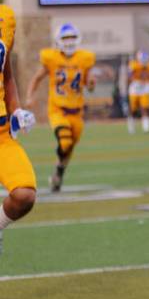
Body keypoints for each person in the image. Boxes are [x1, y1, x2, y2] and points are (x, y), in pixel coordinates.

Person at [26, 23, 96, 192]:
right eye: (66, 38)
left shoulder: (84, 58)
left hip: (77, 112)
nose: (69, 41)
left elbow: (90, 86)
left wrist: (92, 84)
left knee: (69, 148)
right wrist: (30, 96)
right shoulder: (51, 58)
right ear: (58, 40)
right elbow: (36, 78)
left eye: (72, 37)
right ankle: (58, 171)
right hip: (58, 109)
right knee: (64, 140)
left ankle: (58, 173)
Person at [0, 3, 38, 255]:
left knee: (24, 194)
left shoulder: (4, 19)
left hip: (1, 136)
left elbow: (7, 76)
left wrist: (16, 110)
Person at [127, 50, 149, 134]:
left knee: (145, 107)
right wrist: (134, 82)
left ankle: (146, 127)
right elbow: (129, 76)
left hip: (145, 88)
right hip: (135, 88)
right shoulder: (134, 64)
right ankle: (131, 126)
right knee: (133, 109)